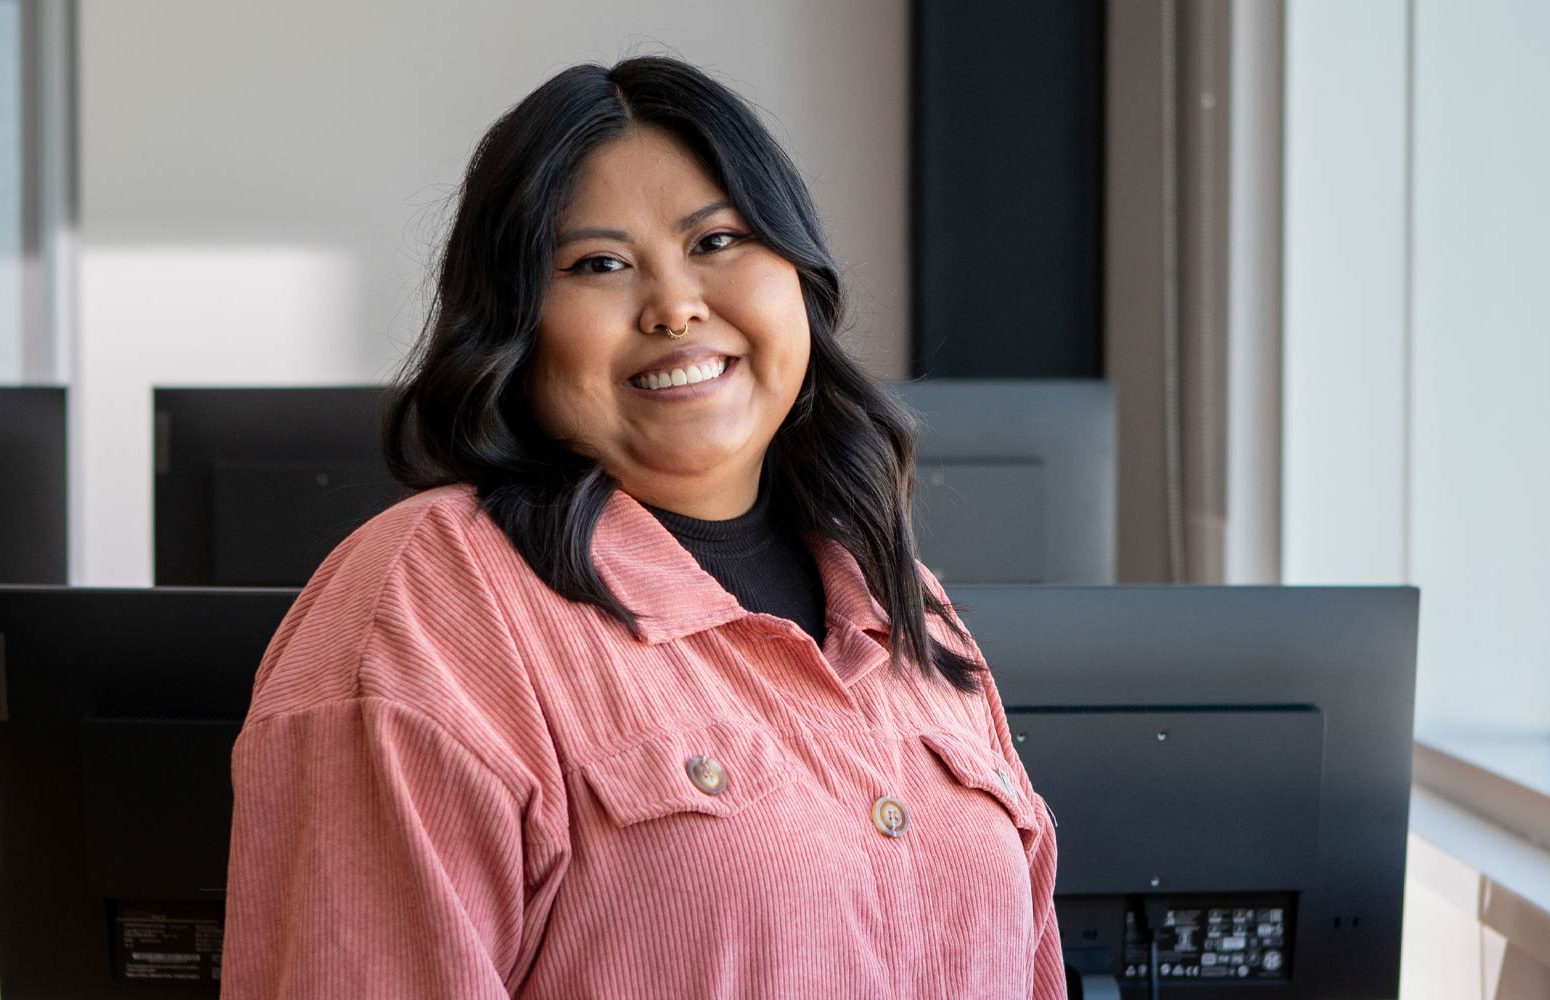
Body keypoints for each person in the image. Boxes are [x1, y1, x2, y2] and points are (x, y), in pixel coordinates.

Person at [224, 55, 1065, 999]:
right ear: (515, 323)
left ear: (798, 274)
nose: (674, 308)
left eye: (719, 241)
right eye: (600, 265)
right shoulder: (430, 604)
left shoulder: (900, 601)